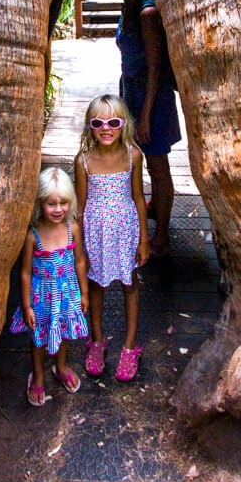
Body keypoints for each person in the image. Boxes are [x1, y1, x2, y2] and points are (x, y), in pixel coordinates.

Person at [74, 94, 149, 382]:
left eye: (113, 122)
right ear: (90, 127)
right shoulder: (82, 161)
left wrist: (144, 238)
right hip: (95, 232)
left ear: (123, 125)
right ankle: (96, 340)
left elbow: (139, 198)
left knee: (130, 285)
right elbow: (80, 207)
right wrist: (78, 246)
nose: (106, 128)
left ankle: (130, 346)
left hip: (126, 230)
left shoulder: (133, 155)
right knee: (96, 286)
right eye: (98, 123)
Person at [110, 0, 181, 256]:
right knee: (143, 159)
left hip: (152, 97)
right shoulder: (126, 10)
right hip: (132, 94)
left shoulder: (146, 12)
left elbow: (154, 67)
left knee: (157, 163)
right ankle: (153, 207)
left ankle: (162, 235)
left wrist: (146, 116)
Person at [10, 167, 89, 406]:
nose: (58, 210)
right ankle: (38, 373)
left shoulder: (72, 228)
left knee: (63, 331)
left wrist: (84, 292)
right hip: (41, 297)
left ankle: (61, 365)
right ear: (40, 203)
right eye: (51, 204)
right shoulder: (32, 235)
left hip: (66, 295)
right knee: (38, 337)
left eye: (63, 203)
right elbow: (24, 272)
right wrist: (26, 306)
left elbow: (80, 261)